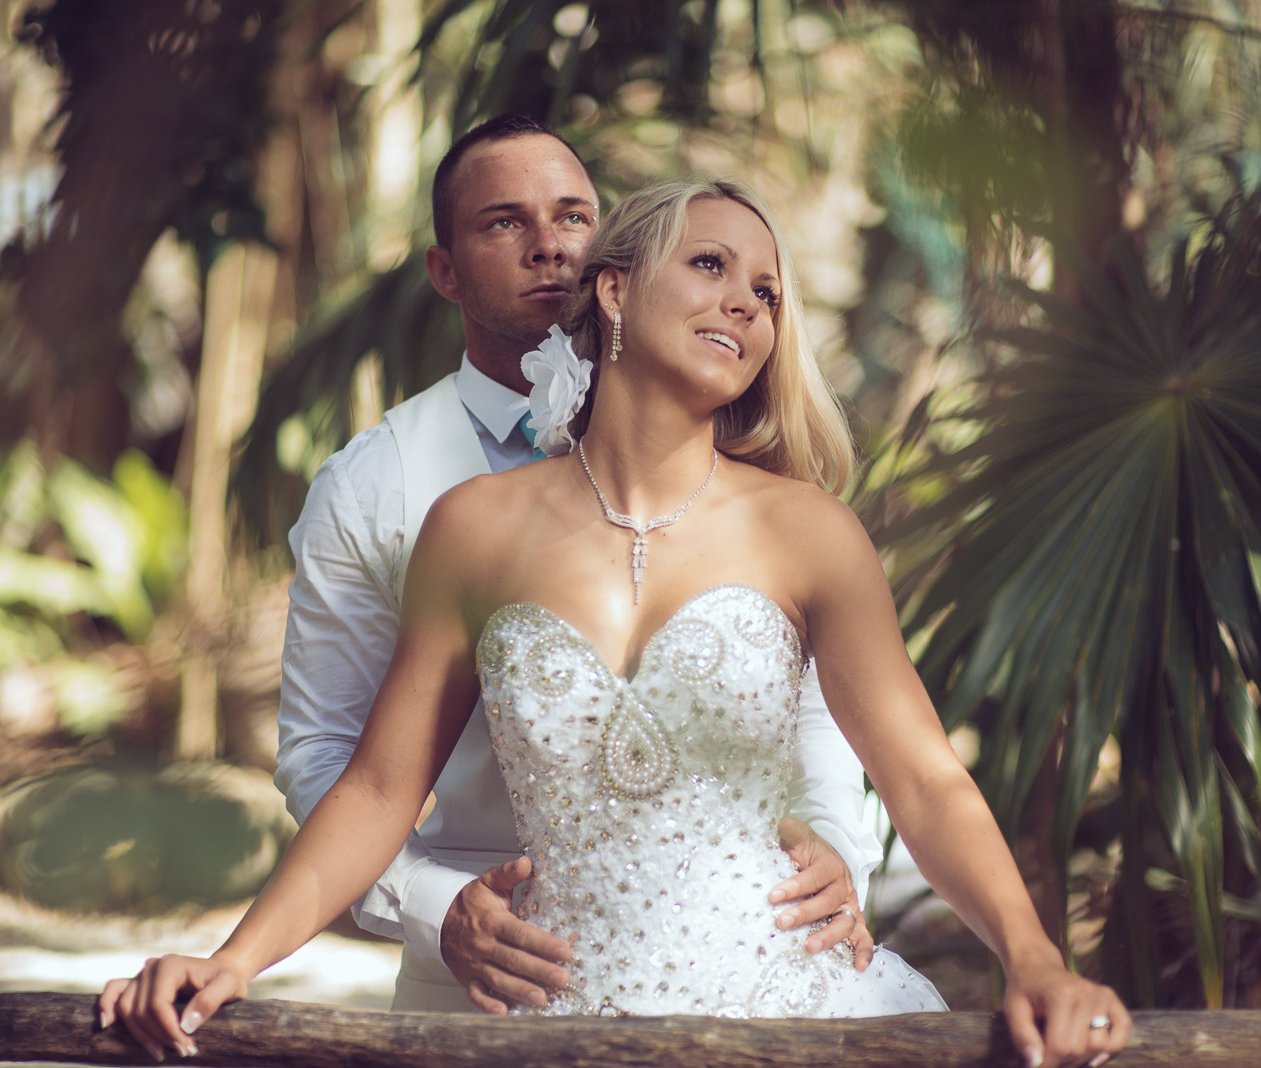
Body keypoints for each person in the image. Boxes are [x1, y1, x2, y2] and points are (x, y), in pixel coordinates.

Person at [101, 178, 1132, 1068]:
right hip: (555, 1025)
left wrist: (1034, 959)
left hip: (785, 1013)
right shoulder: (473, 529)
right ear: (614, 286)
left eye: (767, 294)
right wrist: (231, 958)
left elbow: (922, 777)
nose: (745, 303)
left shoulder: (809, 532)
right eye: (713, 265)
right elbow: (376, 788)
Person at [270, 114, 882, 1016]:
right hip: (480, 974)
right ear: (445, 269)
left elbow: (818, 702)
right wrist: (436, 908)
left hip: (745, 954)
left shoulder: (735, 458)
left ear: (610, 266)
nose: (550, 246)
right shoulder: (375, 485)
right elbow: (333, 760)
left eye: (572, 216)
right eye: (504, 223)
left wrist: (829, 850)